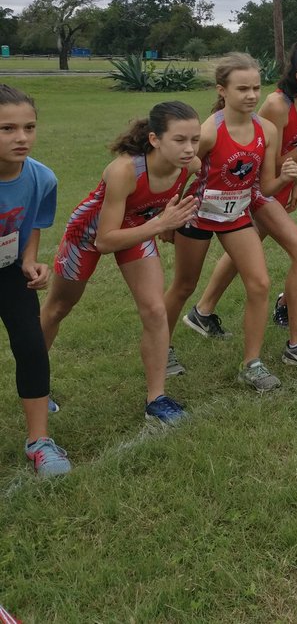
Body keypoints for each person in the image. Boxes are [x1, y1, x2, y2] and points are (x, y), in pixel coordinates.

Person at [183, 40, 297, 370]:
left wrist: (295, 179)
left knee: (257, 249)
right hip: (246, 189)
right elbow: (270, 157)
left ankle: (204, 311)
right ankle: (295, 343)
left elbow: (283, 154)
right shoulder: (275, 105)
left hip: (266, 187)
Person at [42, 101, 200, 426]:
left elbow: (178, 195)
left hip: (139, 227)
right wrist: (161, 224)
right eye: (180, 140)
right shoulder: (124, 171)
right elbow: (105, 240)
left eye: (195, 140)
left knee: (155, 310)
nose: (189, 149)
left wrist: (165, 221)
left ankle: (156, 399)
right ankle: (34, 383)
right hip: (89, 234)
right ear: (155, 139)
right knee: (58, 308)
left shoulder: (189, 164)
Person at [163, 54, 297, 392]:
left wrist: (284, 177)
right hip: (197, 215)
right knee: (184, 285)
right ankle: (161, 348)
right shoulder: (209, 131)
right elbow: (180, 176)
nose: (251, 95)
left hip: (236, 215)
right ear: (222, 90)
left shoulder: (266, 130)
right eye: (242, 89)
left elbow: (265, 187)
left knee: (260, 284)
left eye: (256, 87)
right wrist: (167, 220)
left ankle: (251, 364)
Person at [0, 85, 69, 477]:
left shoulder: (43, 178)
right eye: (7, 129)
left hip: (9, 271)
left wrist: (30, 261)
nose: (21, 137)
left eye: (29, 127)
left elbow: (34, 224)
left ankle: (39, 441)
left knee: (31, 346)